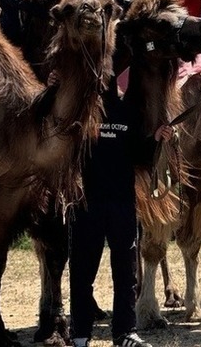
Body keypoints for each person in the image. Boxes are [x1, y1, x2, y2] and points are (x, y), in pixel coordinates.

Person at [68, 75, 171, 347]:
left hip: (122, 205)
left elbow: (140, 155)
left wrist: (156, 139)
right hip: (86, 204)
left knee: (126, 274)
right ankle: (80, 335)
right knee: (82, 273)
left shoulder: (128, 110)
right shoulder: (82, 110)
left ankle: (125, 333)